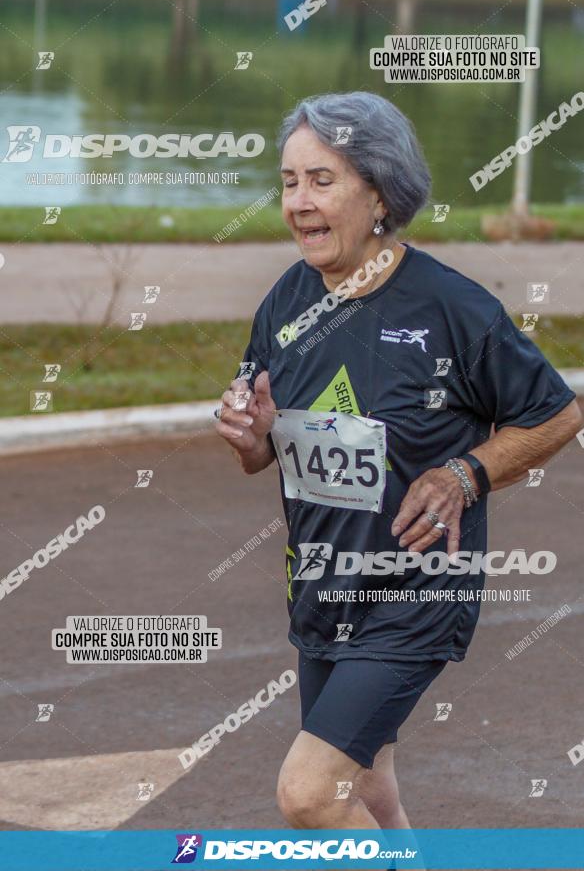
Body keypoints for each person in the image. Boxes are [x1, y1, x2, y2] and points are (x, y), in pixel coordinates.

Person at [215, 91, 582, 839]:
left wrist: (462, 475)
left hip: (416, 593)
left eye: (322, 180)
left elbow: (558, 411)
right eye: (289, 182)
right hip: (321, 586)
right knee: (371, 787)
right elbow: (263, 451)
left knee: (309, 793)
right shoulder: (285, 300)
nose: (298, 202)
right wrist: (250, 437)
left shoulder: (451, 307)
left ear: (378, 191)